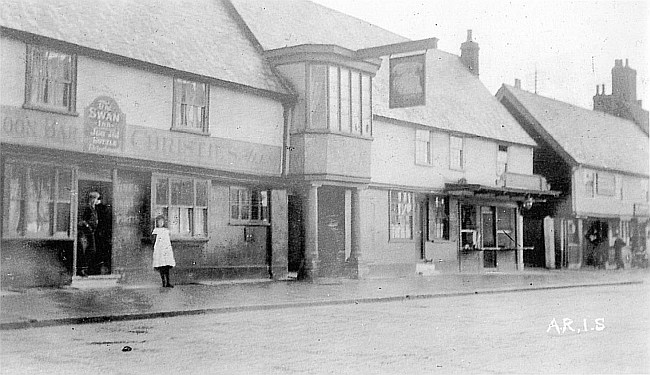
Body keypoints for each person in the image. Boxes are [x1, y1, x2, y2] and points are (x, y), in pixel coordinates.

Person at [78, 191, 100, 276]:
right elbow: (82, 220)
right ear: (90, 199)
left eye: (96, 198)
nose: (95, 200)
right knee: (87, 250)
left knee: (91, 250)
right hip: (86, 232)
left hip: (91, 232)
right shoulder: (88, 208)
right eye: (93, 198)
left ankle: (86, 268)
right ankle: (82, 269)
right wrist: (88, 226)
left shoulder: (94, 208)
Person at [152, 215, 175, 287]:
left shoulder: (166, 230)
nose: (160, 223)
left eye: (162, 222)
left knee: (166, 266)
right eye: (159, 222)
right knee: (161, 266)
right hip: (160, 250)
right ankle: (163, 282)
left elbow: (168, 240)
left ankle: (168, 282)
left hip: (166, 249)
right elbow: (155, 240)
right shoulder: (156, 231)